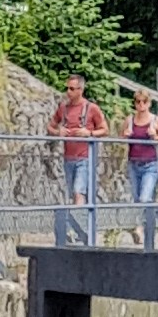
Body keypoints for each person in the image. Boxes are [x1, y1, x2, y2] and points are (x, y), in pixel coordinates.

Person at [53, 76, 101, 223]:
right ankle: (80, 223)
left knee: (78, 191)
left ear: (81, 90)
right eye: (67, 88)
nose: (68, 91)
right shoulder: (63, 108)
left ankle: (79, 225)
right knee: (72, 193)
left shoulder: (92, 108)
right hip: (68, 157)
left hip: (85, 157)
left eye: (72, 89)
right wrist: (58, 132)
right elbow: (50, 126)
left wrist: (89, 133)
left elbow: (104, 129)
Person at [127, 87, 158, 243]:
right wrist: (125, 135)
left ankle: (140, 229)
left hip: (150, 164)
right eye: (138, 101)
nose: (141, 104)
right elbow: (121, 137)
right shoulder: (130, 120)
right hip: (133, 163)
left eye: (144, 101)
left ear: (149, 103)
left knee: (144, 197)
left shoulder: (155, 120)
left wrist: (155, 136)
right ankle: (145, 227)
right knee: (137, 198)